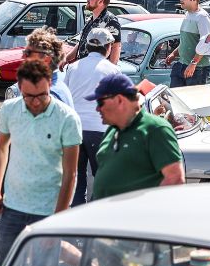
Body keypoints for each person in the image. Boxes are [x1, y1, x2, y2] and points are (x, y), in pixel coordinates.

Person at [0, 61, 82, 266]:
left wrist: (58, 219)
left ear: (50, 83)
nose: (36, 102)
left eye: (42, 94)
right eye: (29, 96)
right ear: (20, 88)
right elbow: (1, 148)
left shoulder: (67, 118)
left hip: (47, 212)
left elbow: (71, 173)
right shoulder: (10, 110)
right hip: (12, 209)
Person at [89, 73, 185, 200]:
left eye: (101, 102)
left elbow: (175, 180)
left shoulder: (155, 129)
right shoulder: (112, 130)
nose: (97, 109)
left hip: (133, 217)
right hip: (104, 215)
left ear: (119, 100)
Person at [64, 28, 120, 206]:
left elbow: (65, 98)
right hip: (100, 130)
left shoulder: (72, 68)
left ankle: (76, 220)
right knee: (103, 180)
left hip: (74, 130)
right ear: (108, 47)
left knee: (76, 180)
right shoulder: (112, 70)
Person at [165, 0, 210, 87]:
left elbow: (205, 43)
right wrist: (174, 54)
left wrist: (193, 64)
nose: (181, 0)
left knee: (191, 100)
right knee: (175, 98)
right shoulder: (188, 14)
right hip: (182, 64)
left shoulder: (202, 17)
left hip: (197, 68)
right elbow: (187, 41)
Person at [66, 0, 122, 65]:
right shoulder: (90, 19)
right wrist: (66, 59)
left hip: (98, 71)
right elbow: (82, 42)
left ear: (100, 2)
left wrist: (110, 71)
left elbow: (116, 47)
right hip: (84, 67)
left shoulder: (111, 21)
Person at [22, 28, 74, 107]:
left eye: (28, 53)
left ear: (46, 59)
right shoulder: (55, 87)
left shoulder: (49, 96)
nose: (23, 56)